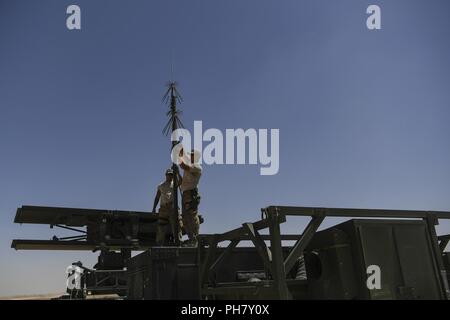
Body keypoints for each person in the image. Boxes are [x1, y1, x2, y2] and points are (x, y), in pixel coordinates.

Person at [152, 168, 182, 245]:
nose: (170, 176)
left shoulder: (175, 184)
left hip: (173, 208)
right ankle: (159, 243)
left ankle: (178, 242)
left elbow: (181, 181)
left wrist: (178, 173)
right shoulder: (161, 185)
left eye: (171, 175)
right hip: (164, 208)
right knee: (161, 226)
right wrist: (154, 208)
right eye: (169, 174)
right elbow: (157, 197)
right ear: (166, 175)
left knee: (176, 226)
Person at [179, 149, 202, 247]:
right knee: (185, 218)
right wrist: (179, 151)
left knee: (191, 217)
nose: (190, 156)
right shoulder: (190, 165)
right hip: (186, 194)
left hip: (191, 194)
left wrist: (178, 156)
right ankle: (191, 239)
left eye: (192, 155)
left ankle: (195, 239)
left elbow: (183, 165)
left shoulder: (197, 166)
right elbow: (183, 159)